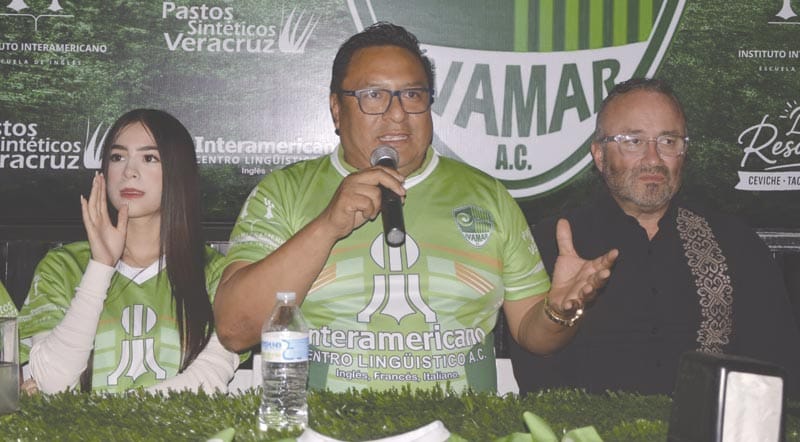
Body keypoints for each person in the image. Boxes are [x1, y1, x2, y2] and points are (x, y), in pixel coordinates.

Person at [213, 22, 617, 393]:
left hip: (459, 429)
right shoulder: (284, 192)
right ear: (336, 108)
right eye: (373, 96)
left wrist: (559, 312)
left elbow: (534, 335)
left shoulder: (487, 196)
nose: (397, 113)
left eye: (412, 95)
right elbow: (235, 329)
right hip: (326, 430)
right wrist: (327, 226)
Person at [510, 78, 800, 399]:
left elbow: (779, 372)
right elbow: (535, 379)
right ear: (599, 155)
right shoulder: (551, 244)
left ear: (684, 152)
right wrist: (559, 316)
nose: (653, 159)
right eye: (633, 141)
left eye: (668, 141)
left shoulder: (737, 246)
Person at [18, 109, 240, 394]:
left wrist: (104, 412)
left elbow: (208, 380)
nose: (129, 172)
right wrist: (100, 266)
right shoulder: (63, 266)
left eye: (149, 158)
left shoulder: (217, 272)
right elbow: (53, 382)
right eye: (117, 157)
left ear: (179, 172)